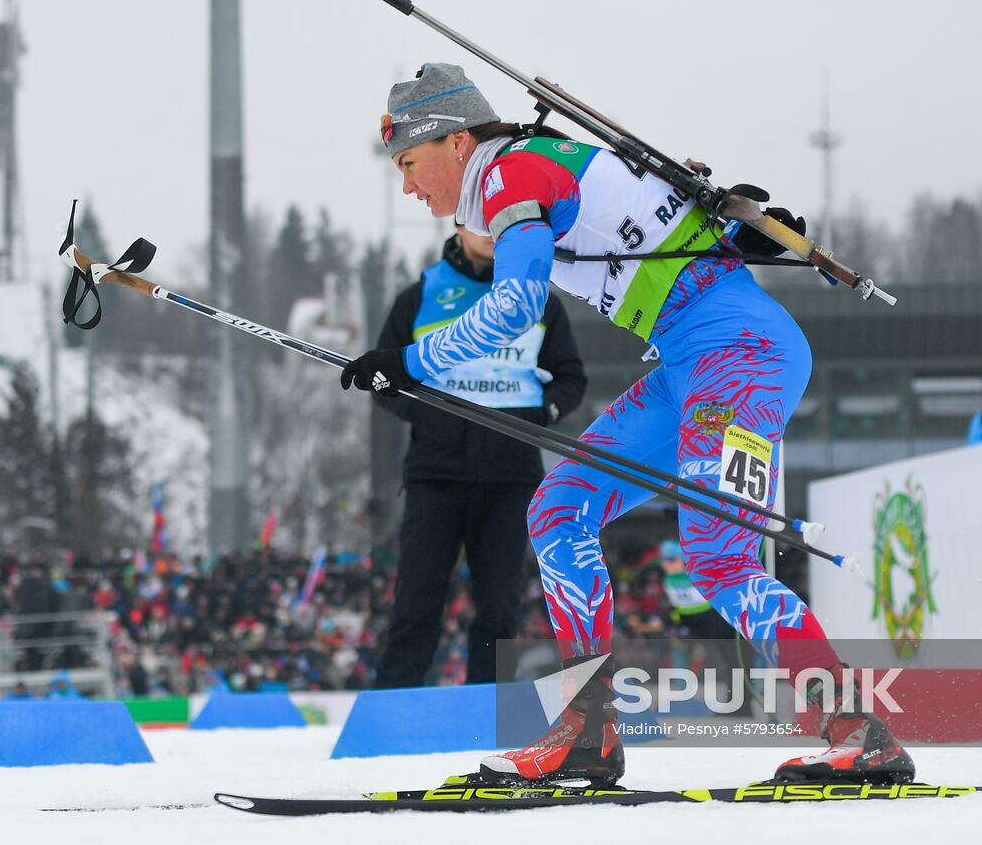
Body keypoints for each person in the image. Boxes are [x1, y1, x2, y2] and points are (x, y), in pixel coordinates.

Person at [341, 63, 913, 786]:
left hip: (739, 357)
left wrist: (414, 361)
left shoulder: (505, 177)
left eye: (409, 162)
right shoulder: (534, 164)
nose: (407, 186)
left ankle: (857, 732)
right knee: (557, 508)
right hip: (691, 362)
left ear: (456, 142)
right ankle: (589, 726)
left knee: (720, 557)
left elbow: (516, 306)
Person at [371, 223, 587, 688]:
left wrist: (541, 412)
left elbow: (571, 378)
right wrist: (425, 415)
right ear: (458, 225)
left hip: (511, 477)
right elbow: (382, 378)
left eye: (500, 224)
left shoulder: (541, 302)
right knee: (416, 599)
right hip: (435, 474)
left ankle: (487, 713)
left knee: (499, 604)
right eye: (479, 223)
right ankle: (393, 706)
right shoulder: (420, 295)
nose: (490, 233)